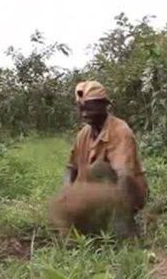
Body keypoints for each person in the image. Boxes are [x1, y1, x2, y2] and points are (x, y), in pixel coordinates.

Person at [50, 81, 148, 236]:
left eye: (90, 108)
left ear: (104, 105)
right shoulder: (84, 134)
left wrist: (120, 213)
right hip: (96, 199)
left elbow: (125, 177)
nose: (85, 114)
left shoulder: (120, 131)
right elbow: (71, 168)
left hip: (124, 195)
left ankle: (123, 229)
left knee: (101, 168)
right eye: (82, 109)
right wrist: (68, 191)